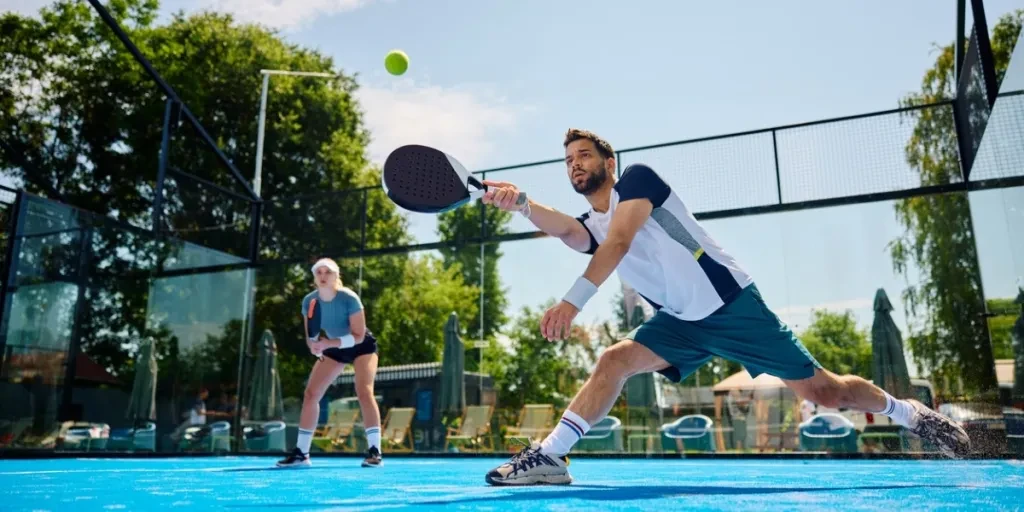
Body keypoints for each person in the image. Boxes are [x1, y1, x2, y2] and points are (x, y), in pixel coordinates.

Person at [478, 128, 971, 486]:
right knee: (614, 360)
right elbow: (569, 230)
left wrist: (572, 302)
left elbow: (621, 242)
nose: (575, 165)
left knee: (826, 392)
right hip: (678, 323)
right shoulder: (593, 221)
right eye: (567, 161)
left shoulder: (640, 182)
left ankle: (912, 415)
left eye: (583, 155)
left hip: (732, 306)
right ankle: (550, 457)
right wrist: (520, 203)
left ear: (609, 161)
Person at [277, 258, 383, 468]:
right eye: (319, 273)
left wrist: (327, 343)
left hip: (361, 346)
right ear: (315, 278)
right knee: (311, 394)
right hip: (332, 346)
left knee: (363, 391)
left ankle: (375, 452)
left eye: (328, 272)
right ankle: (302, 454)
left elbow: (359, 336)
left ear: (336, 276)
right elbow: (311, 336)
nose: (323, 276)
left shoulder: (349, 298)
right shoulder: (309, 301)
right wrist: (315, 347)